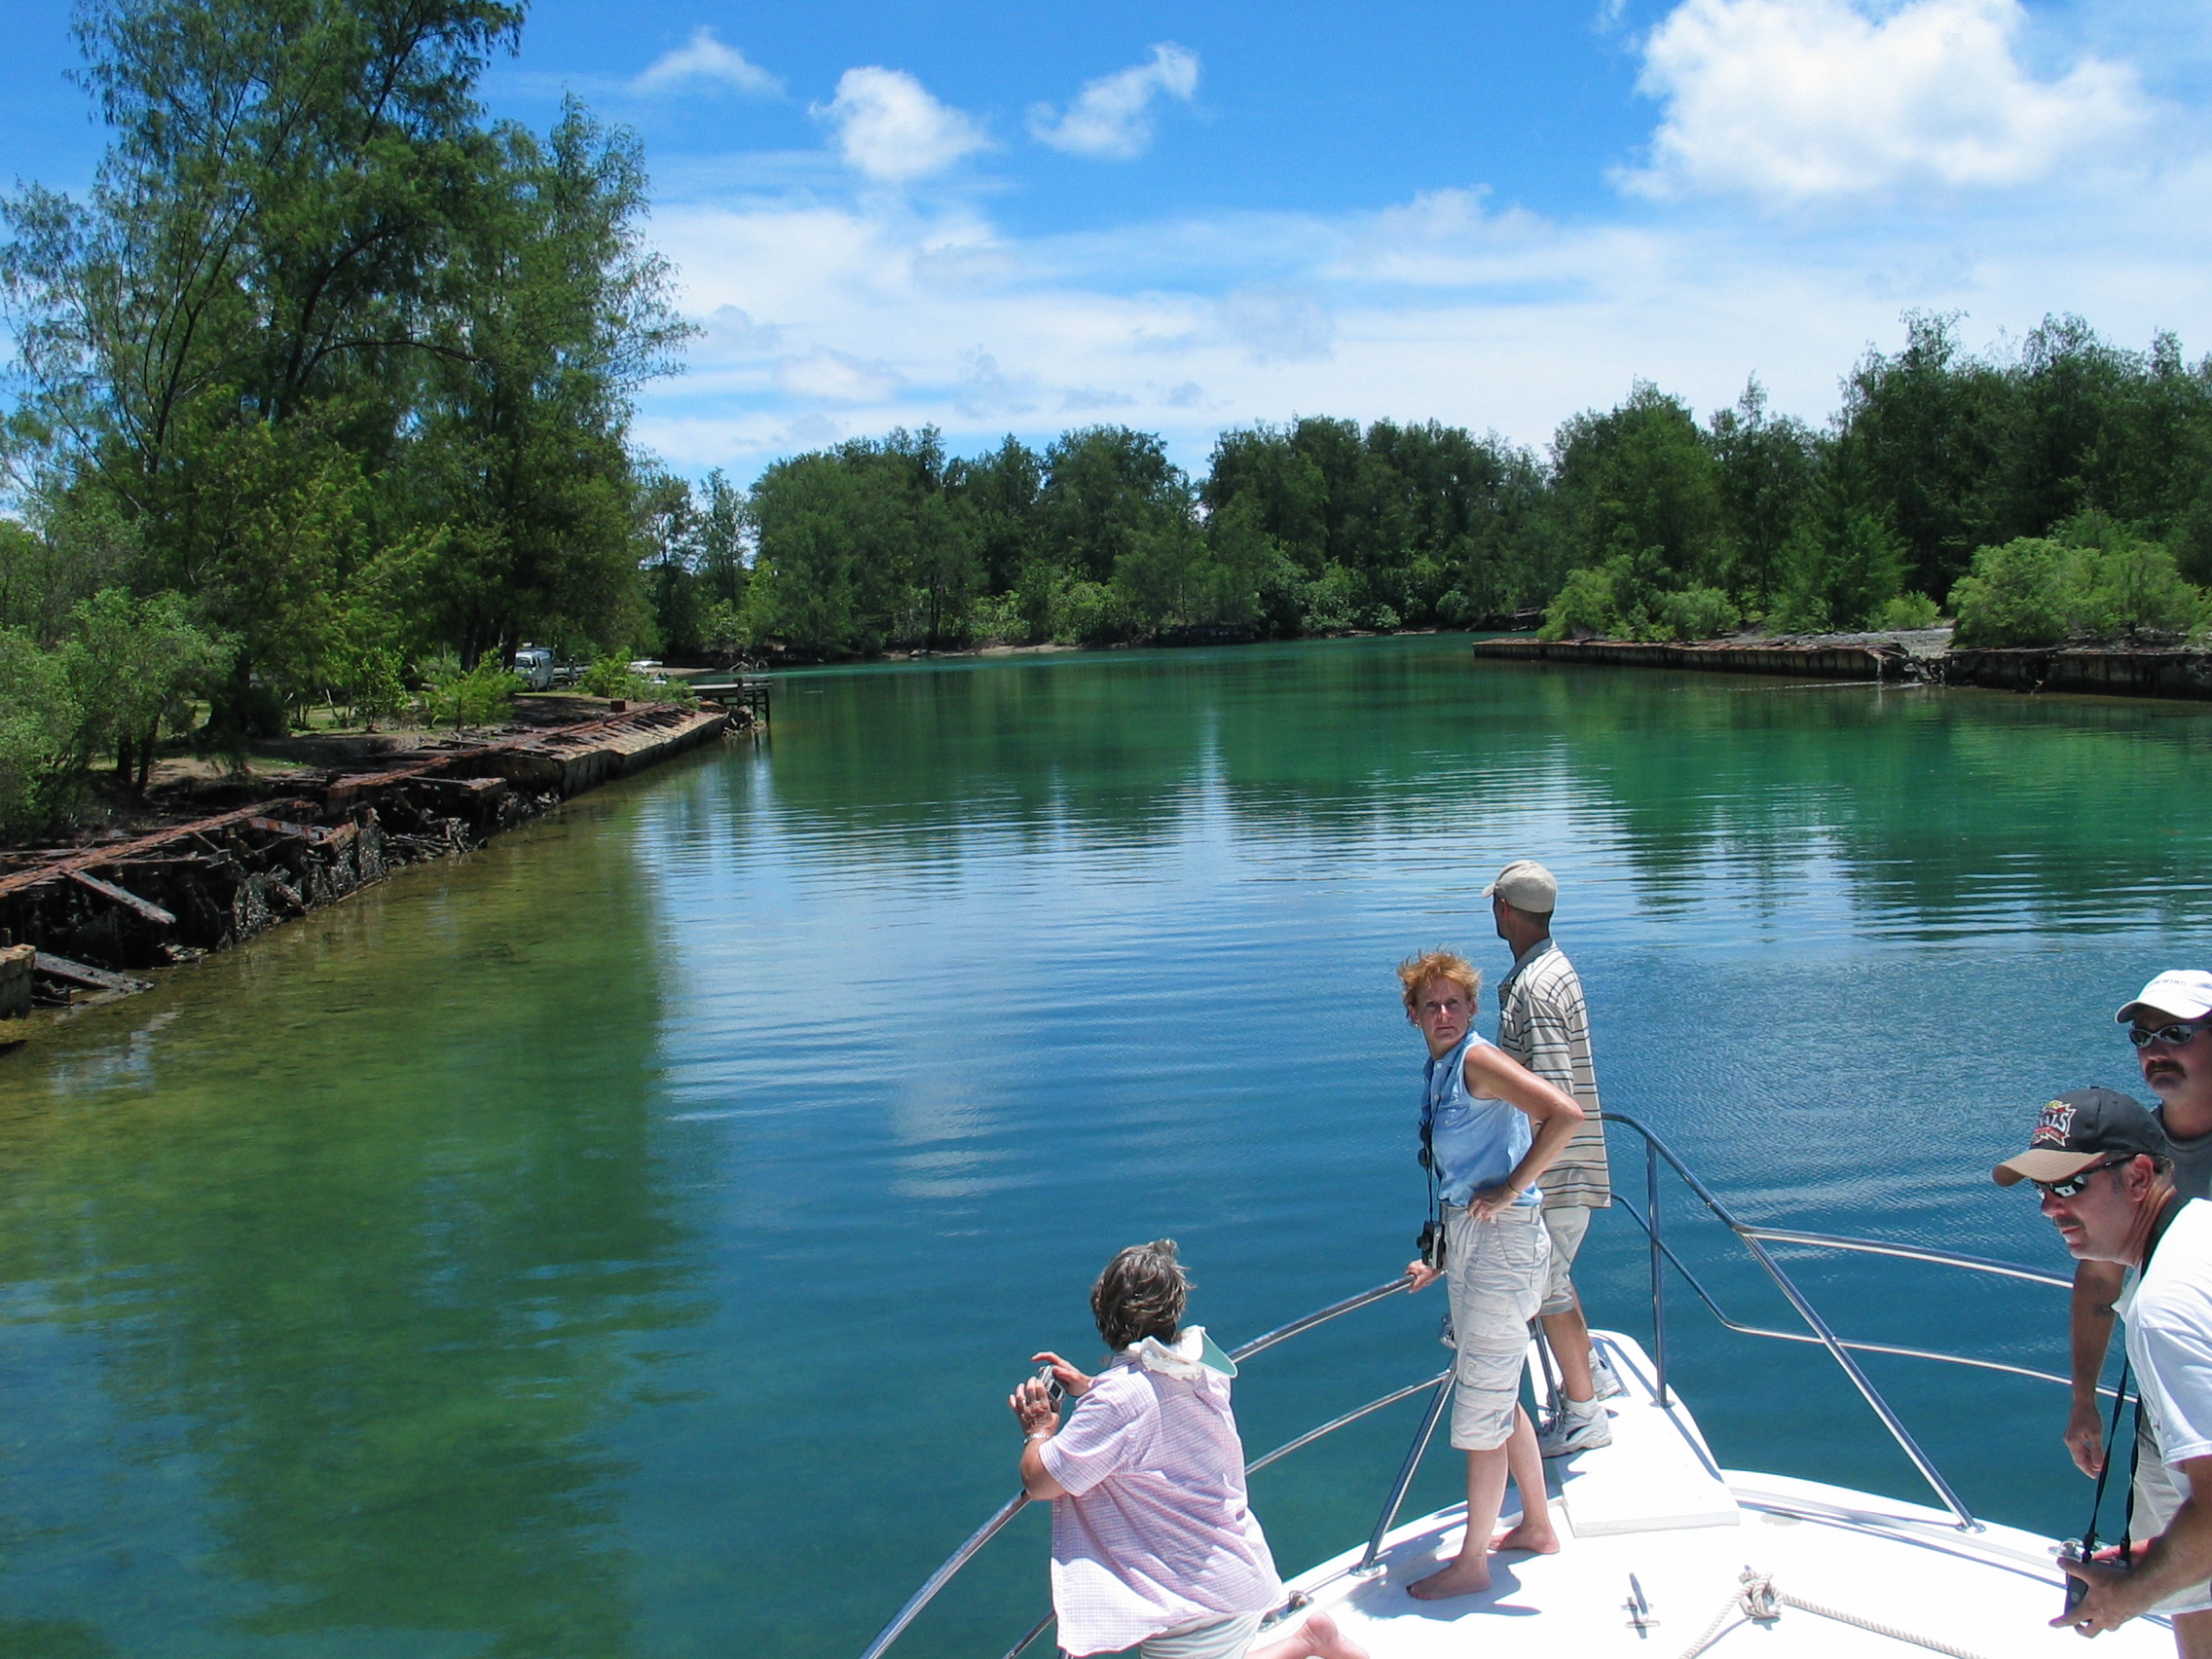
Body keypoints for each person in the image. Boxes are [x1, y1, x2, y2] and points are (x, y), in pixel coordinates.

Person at [1010, 1240, 1370, 1659]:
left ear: (1103, 1314)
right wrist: (1093, 1388)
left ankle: (1309, 1641)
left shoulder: (1118, 1401)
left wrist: (1039, 1429)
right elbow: (1152, 1401)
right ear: (1174, 1308)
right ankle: (1311, 1640)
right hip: (1236, 1570)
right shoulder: (1201, 1368)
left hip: (1187, 1598)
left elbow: (1042, 1482)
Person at [1397, 948, 1585, 1600]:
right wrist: (1443, 1256)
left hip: (1502, 1246)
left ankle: (1473, 1562)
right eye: (1431, 1005)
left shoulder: (1478, 1060)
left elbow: (1565, 1115)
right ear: (1414, 1015)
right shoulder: (1442, 1069)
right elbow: (1462, 1174)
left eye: (1454, 1003)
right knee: (1499, 1394)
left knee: (1481, 1412)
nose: (1444, 1014)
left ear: (1473, 1008)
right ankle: (1536, 1525)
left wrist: (1513, 1188)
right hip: (1476, 1244)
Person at [1997, 1088, 2212, 1653]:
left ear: (2138, 1178)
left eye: (2069, 1186)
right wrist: (2152, 1556)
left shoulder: (2164, 1308)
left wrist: (2129, 1595)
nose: (2049, 1208)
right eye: (2042, 1189)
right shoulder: (2200, 1228)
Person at [2066, 974, 2212, 1561]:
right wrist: (2084, 1400)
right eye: (2143, 1037)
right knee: (2177, 1588)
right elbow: (2100, 1279)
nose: (2155, 1050)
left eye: (2176, 1033)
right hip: (2166, 1421)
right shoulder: (2129, 1155)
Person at [1485, 859, 1620, 1457]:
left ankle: (1585, 1416)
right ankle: (1590, 1370)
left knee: (1546, 1290)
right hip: (1566, 1167)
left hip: (1554, 1174)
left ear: (1504, 910)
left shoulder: (1534, 990)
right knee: (1554, 1275)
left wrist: (1514, 1185)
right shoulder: (1554, 967)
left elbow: (1558, 1099)